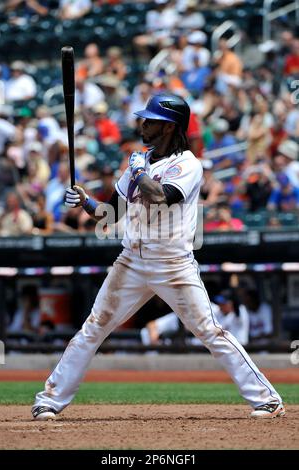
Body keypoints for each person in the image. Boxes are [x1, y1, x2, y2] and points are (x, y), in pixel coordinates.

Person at [32, 92, 284, 420]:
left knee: (210, 329)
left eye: (151, 121)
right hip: (132, 261)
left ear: (168, 128)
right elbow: (110, 212)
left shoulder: (189, 164)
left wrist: (139, 173)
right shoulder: (139, 160)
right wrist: (85, 201)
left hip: (173, 263)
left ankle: (267, 398)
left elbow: (162, 197)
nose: (143, 124)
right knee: (94, 326)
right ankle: (50, 400)